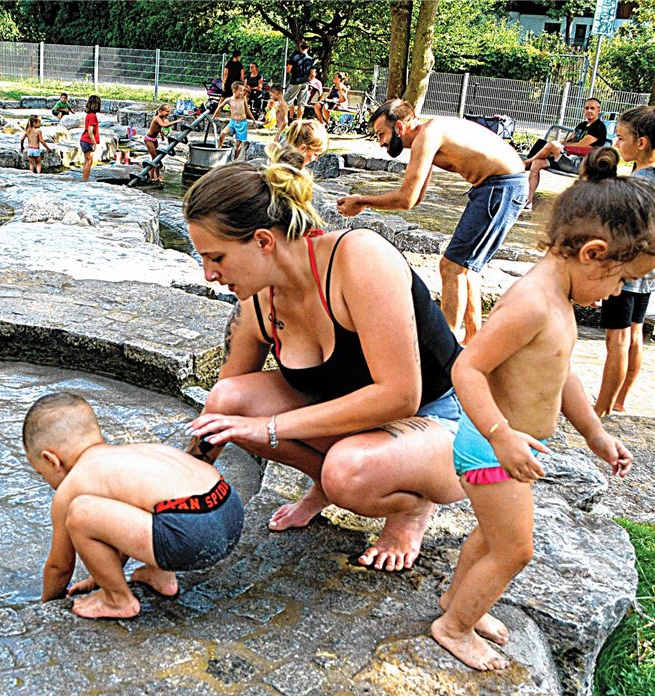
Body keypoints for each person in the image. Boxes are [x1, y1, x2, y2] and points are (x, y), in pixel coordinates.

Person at [183, 157, 466, 572]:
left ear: (263, 241)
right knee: (228, 400)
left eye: (216, 258)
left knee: (348, 470)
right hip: (360, 423)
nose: (208, 274)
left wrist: (269, 428)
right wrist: (169, 494)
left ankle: (411, 506)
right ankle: (326, 485)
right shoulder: (256, 305)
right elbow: (218, 416)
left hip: (444, 417)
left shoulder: (359, 259)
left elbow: (402, 396)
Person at [432, 147, 650, 671]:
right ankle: (454, 627)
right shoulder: (532, 302)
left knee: (490, 537)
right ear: (593, 253)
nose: (617, 293)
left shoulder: (559, 300)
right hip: (491, 446)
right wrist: (501, 433)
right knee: (515, 550)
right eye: (622, 279)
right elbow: (467, 369)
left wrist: (595, 434)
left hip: (511, 445)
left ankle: (459, 602)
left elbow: (561, 373)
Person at [24, 392, 244, 620]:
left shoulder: (72, 486)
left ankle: (118, 600)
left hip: (194, 534)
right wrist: (99, 578)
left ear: (51, 460)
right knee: (155, 504)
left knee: (80, 513)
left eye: (42, 474)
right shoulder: (128, 456)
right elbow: (121, 529)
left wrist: (47, 609)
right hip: (229, 510)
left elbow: (59, 568)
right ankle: (161, 576)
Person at [336, 100, 528, 344]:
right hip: (496, 186)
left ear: (399, 127)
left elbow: (406, 198)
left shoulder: (428, 135)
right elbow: (414, 199)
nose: (381, 142)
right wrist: (364, 202)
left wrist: (362, 201)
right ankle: (472, 341)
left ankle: (445, 347)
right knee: (465, 268)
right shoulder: (428, 136)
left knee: (452, 266)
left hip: (502, 186)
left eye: (381, 134)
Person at [595, 106, 655, 417]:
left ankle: (601, 408)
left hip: (628, 268)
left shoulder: (640, 181)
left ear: (641, 143)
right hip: (649, 271)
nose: (616, 144)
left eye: (621, 138)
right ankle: (621, 401)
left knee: (616, 338)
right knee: (635, 333)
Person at [522, 98, 608, 210]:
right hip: (566, 157)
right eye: (586, 108)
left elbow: (580, 145)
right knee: (537, 163)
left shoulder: (599, 127)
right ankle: (528, 201)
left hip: (579, 162)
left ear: (598, 110)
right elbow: (567, 141)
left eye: (592, 108)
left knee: (552, 145)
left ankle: (526, 163)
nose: (589, 111)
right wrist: (562, 145)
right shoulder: (581, 125)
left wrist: (561, 146)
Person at [213, 82, 255, 161]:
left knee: (238, 144)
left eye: (243, 90)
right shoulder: (228, 100)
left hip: (242, 123)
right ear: (234, 90)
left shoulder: (243, 98)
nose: (242, 92)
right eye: (241, 90)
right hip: (232, 122)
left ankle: (235, 160)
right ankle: (219, 149)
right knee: (223, 133)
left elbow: (247, 109)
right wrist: (214, 116)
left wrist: (253, 119)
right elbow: (220, 106)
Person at [144, 104, 183, 182]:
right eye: (167, 111)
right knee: (154, 159)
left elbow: (159, 128)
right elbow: (164, 125)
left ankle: (157, 176)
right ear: (161, 111)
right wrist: (176, 121)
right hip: (148, 139)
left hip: (154, 139)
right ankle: (151, 177)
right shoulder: (157, 118)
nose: (168, 113)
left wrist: (162, 135)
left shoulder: (162, 118)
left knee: (157, 158)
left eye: (169, 112)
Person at [284, 41, 314, 120]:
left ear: (299, 47)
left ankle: (285, 120)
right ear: (308, 48)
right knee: (301, 104)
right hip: (305, 83)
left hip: (295, 81)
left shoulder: (294, 57)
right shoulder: (310, 59)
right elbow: (312, 74)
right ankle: (298, 122)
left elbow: (288, 69)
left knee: (286, 101)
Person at [80, 94, 101, 182]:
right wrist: (94, 142)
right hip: (88, 141)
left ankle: (84, 178)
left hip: (84, 140)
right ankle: (85, 179)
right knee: (89, 161)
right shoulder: (92, 116)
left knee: (86, 161)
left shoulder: (89, 115)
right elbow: (90, 130)